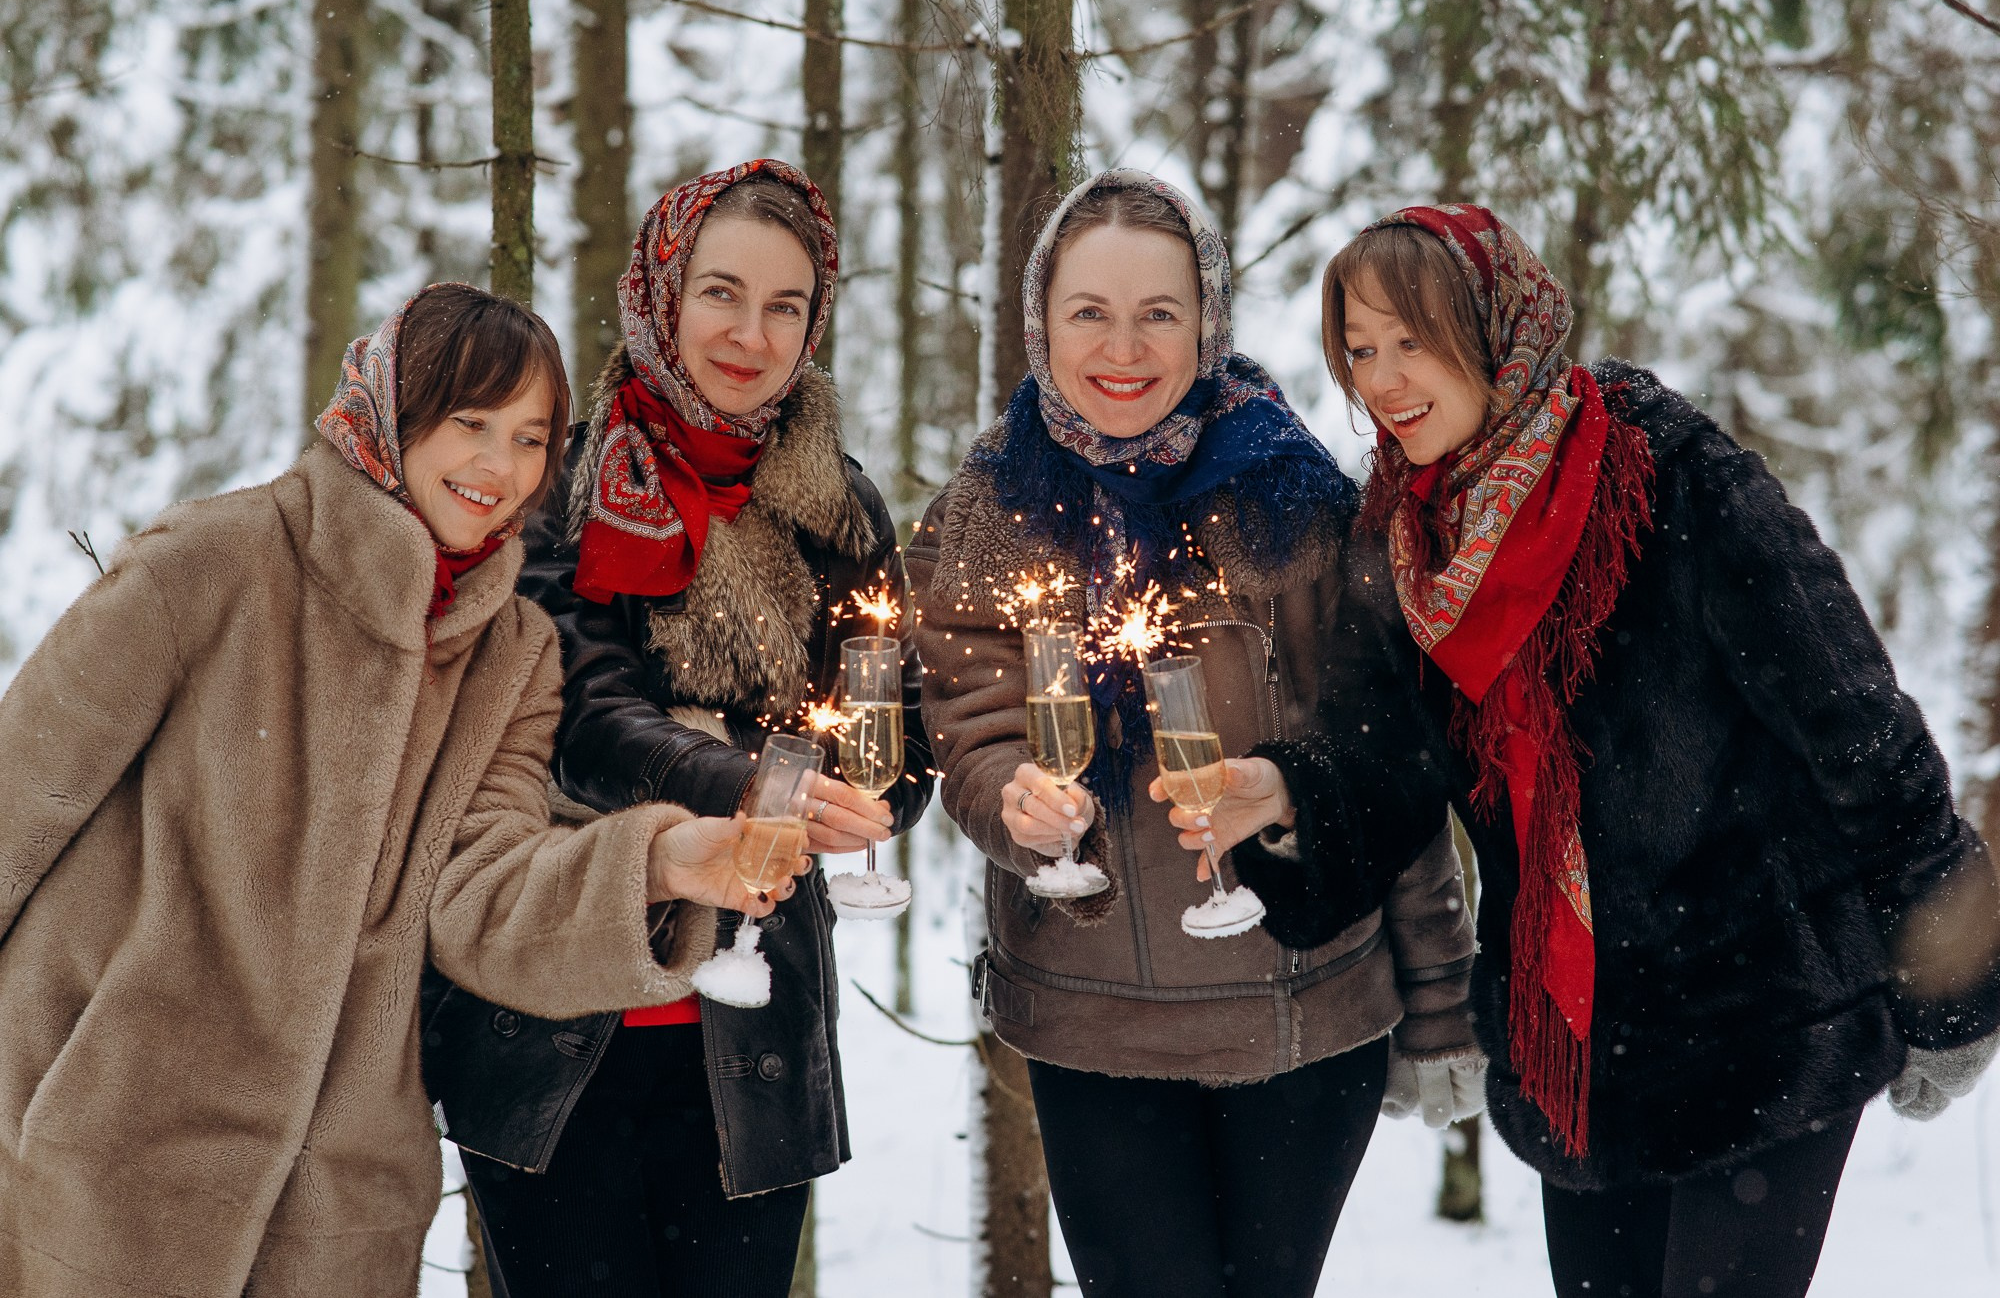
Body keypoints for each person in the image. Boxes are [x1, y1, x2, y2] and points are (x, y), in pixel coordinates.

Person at [1186, 204, 2000, 1298]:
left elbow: (1854, 722)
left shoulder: (1668, 474)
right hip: (1577, 1050)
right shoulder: (1402, 538)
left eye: (1410, 340)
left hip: (1761, 1021)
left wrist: (1949, 971)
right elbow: (1385, 769)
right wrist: (1285, 793)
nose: (1382, 380)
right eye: (1360, 350)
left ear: (1493, 330)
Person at [0, 282, 792, 1298]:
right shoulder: (212, 562)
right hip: (109, 1141)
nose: (499, 466)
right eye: (471, 422)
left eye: (530, 439)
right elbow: (24, 794)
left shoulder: (512, 652)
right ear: (393, 411)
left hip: (335, 1206)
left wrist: (659, 862)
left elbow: (481, 892)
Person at [909, 170, 1481, 1298]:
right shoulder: (988, 507)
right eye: (1089, 311)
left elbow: (1384, 758)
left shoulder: (1294, 494)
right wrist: (1010, 797)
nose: (1123, 348)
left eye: (1158, 313)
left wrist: (1440, 996)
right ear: (1039, 319)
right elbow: (970, 722)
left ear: (1207, 322)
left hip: (1303, 1009)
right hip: (1092, 1023)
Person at [421, 160, 932, 1298]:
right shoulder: (556, 478)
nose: (751, 334)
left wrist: (865, 797)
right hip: (555, 1024)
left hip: (750, 1038)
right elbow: (581, 717)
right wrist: (757, 778)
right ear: (660, 291)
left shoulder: (840, 507)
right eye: (721, 293)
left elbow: (896, 742)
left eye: (785, 305)